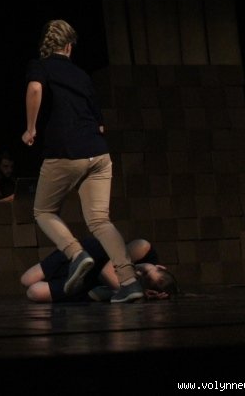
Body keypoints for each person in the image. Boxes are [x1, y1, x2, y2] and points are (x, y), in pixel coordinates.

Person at [21, 19, 142, 303]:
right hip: (98, 153)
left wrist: (30, 128)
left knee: (43, 211)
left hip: (66, 151)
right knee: (100, 220)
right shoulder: (81, 75)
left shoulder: (40, 65)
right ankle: (129, 282)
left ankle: (76, 254)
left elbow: (35, 89)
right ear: (69, 47)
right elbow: (100, 124)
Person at [20, 237, 179, 303]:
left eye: (143, 279)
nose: (139, 273)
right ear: (159, 266)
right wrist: (134, 291)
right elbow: (107, 270)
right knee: (26, 280)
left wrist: (142, 294)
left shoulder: (143, 289)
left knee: (34, 292)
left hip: (91, 279)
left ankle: (71, 282)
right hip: (90, 253)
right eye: (146, 271)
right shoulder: (144, 249)